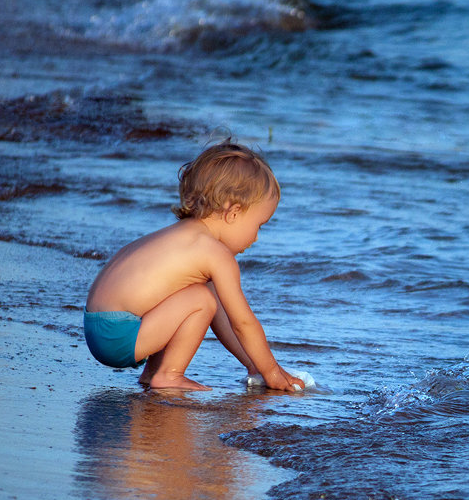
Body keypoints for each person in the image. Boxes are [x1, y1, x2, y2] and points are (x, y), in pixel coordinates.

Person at [83, 140, 305, 392]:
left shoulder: (180, 237)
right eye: (259, 225)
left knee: (201, 293)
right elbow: (242, 323)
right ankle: (169, 375)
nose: (256, 237)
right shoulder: (216, 254)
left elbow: (221, 317)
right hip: (118, 336)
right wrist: (272, 371)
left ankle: (154, 372)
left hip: (99, 328)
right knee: (201, 298)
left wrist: (255, 366)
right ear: (233, 213)